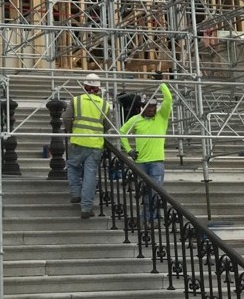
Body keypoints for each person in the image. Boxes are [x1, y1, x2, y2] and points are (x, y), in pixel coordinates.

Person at [119, 82, 172, 222]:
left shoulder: (161, 117)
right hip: (140, 162)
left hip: (156, 161)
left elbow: (169, 99)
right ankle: (150, 217)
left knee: (155, 192)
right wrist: (129, 150)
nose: (150, 109)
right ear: (141, 107)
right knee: (145, 193)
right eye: (147, 106)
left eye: (153, 106)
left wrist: (161, 84)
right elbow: (122, 133)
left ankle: (150, 218)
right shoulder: (135, 120)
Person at [63, 73, 113, 219]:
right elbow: (108, 125)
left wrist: (72, 131)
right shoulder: (104, 104)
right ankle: (86, 207)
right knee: (90, 175)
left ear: (85, 87)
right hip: (95, 144)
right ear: (98, 89)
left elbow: (66, 118)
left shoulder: (76, 100)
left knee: (72, 166)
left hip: (78, 141)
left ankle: (75, 193)